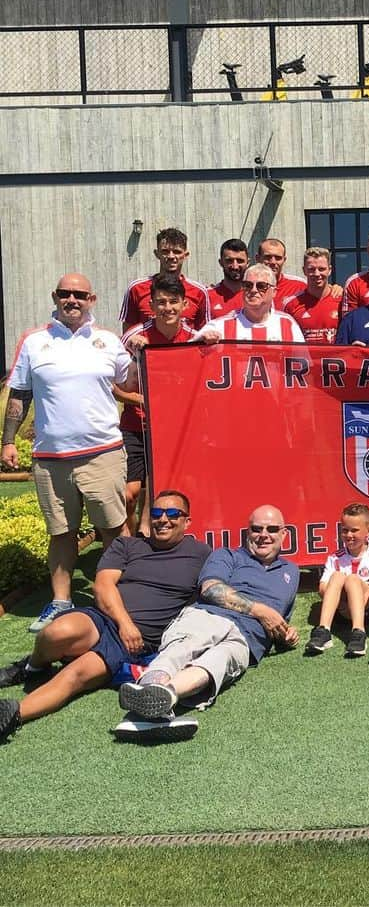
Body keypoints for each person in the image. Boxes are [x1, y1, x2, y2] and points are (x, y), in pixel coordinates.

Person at [0, 491, 210, 742]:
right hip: (105, 620)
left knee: (75, 675)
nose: (163, 519)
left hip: (136, 644)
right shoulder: (128, 545)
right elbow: (102, 586)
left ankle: (12, 714)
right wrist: (125, 623)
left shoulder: (202, 554)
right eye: (156, 513)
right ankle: (33, 666)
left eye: (173, 513)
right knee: (57, 631)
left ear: (187, 522)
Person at [2, 274, 137, 632]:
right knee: (61, 532)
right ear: (55, 297)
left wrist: (142, 351)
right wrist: (8, 440)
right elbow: (19, 394)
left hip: (102, 452)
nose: (72, 300)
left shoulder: (107, 341)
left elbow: (132, 382)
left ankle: (122, 597)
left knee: (113, 529)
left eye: (80, 294)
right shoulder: (34, 342)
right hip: (51, 458)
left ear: (91, 298)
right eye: (65, 294)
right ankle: (61, 601)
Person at [115, 504, 300, 738]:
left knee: (216, 665)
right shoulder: (227, 555)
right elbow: (211, 589)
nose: (264, 535)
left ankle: (164, 697)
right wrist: (259, 610)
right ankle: (151, 688)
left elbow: (278, 621)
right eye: (257, 529)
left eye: (272, 529)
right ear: (248, 532)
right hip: (210, 617)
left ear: (284, 534)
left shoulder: (291, 572)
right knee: (185, 647)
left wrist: (287, 635)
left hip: (247, 641)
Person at [117, 273, 198, 535]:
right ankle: (127, 542)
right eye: (161, 302)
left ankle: (147, 537)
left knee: (162, 490)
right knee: (129, 494)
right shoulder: (134, 338)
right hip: (136, 425)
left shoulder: (195, 339)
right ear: (151, 306)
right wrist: (140, 399)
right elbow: (113, 385)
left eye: (173, 302)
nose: (168, 308)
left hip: (175, 431)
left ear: (185, 305)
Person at [305, 504, 369, 658]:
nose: (349, 535)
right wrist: (344, 606)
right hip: (341, 611)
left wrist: (357, 605)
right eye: (345, 530)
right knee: (337, 576)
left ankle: (358, 632)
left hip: (368, 609)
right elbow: (322, 588)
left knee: (352, 579)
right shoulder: (334, 557)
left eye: (354, 530)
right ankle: (323, 631)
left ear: (368, 531)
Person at [119, 227, 210, 331]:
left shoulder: (199, 292)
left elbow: (204, 334)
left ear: (185, 255)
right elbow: (128, 333)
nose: (171, 256)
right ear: (157, 254)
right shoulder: (136, 289)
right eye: (165, 251)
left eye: (177, 251)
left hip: (185, 347)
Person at [195, 264, 306, 342]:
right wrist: (202, 341)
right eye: (248, 285)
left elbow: (304, 363)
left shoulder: (287, 324)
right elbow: (191, 352)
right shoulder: (219, 326)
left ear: (274, 292)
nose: (253, 290)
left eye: (261, 286)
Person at [281, 246, 342, 343]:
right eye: (311, 269)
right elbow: (285, 341)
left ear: (330, 270)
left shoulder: (342, 300)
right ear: (304, 270)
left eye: (321, 269)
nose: (317, 274)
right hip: (306, 358)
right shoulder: (290, 304)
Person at [255, 237, 307, 307]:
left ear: (284, 260)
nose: (273, 262)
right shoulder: (248, 286)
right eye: (267, 257)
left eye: (278, 258)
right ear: (257, 258)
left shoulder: (299, 286)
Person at [206, 238, 249, 318]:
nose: (235, 266)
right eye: (229, 261)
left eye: (240, 261)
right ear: (221, 262)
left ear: (248, 263)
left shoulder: (255, 295)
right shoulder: (207, 296)